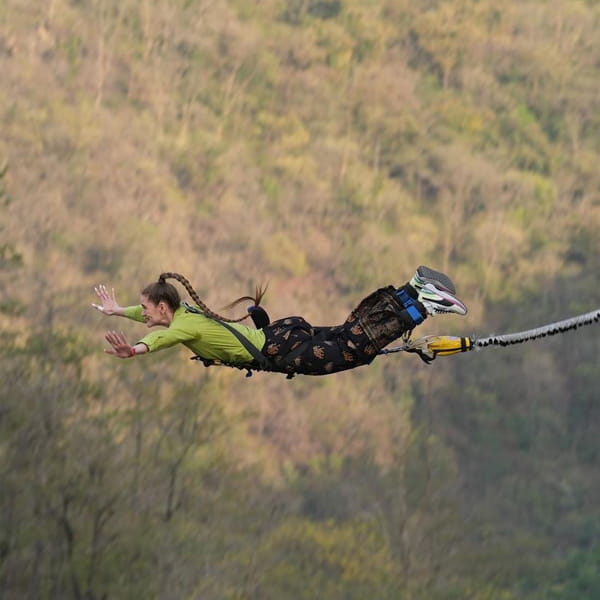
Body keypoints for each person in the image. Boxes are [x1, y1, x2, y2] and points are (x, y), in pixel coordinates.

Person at [92, 267, 467, 377]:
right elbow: (145, 317)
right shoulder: (184, 311)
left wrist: (136, 350)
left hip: (284, 351)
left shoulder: (181, 327)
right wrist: (116, 311)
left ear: (162, 308)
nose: (141, 314)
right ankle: (411, 291)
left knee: (353, 348)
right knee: (347, 332)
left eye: (145, 308)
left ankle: (423, 304)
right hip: (279, 334)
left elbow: (158, 339)